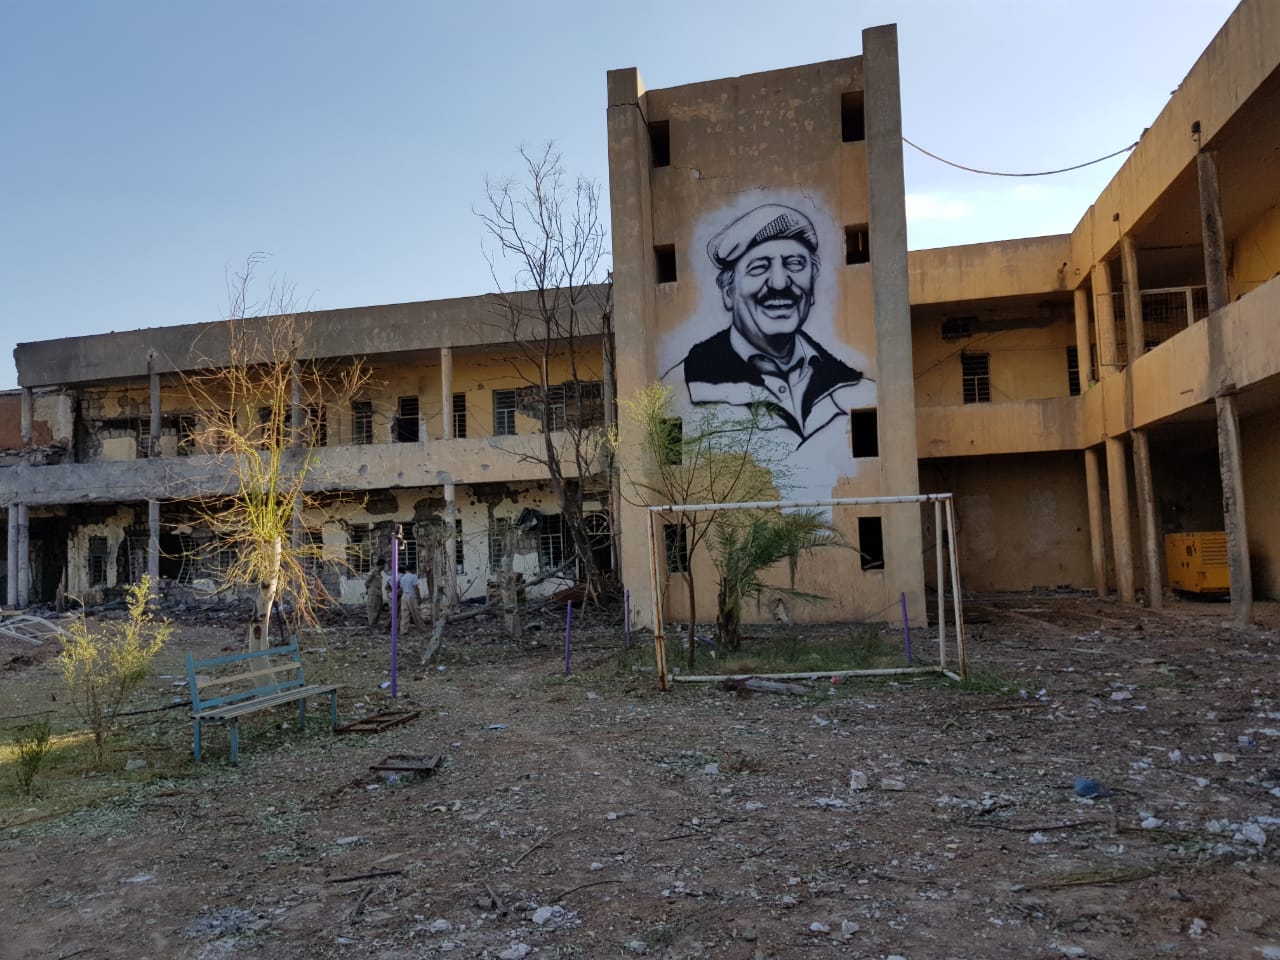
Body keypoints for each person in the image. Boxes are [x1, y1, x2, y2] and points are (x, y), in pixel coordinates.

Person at [668, 203, 874, 444]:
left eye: (795, 264)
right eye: (759, 267)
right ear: (728, 292)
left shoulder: (858, 390)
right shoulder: (681, 389)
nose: (779, 283)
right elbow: (671, 466)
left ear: (813, 283)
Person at [364, 558, 386, 627]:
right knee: (372, 608)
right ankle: (371, 623)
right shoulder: (373, 572)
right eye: (384, 565)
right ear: (381, 565)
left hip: (379, 593)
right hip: (373, 593)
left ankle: (376, 623)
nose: (384, 567)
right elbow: (366, 583)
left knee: (379, 608)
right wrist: (369, 591)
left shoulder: (379, 573)